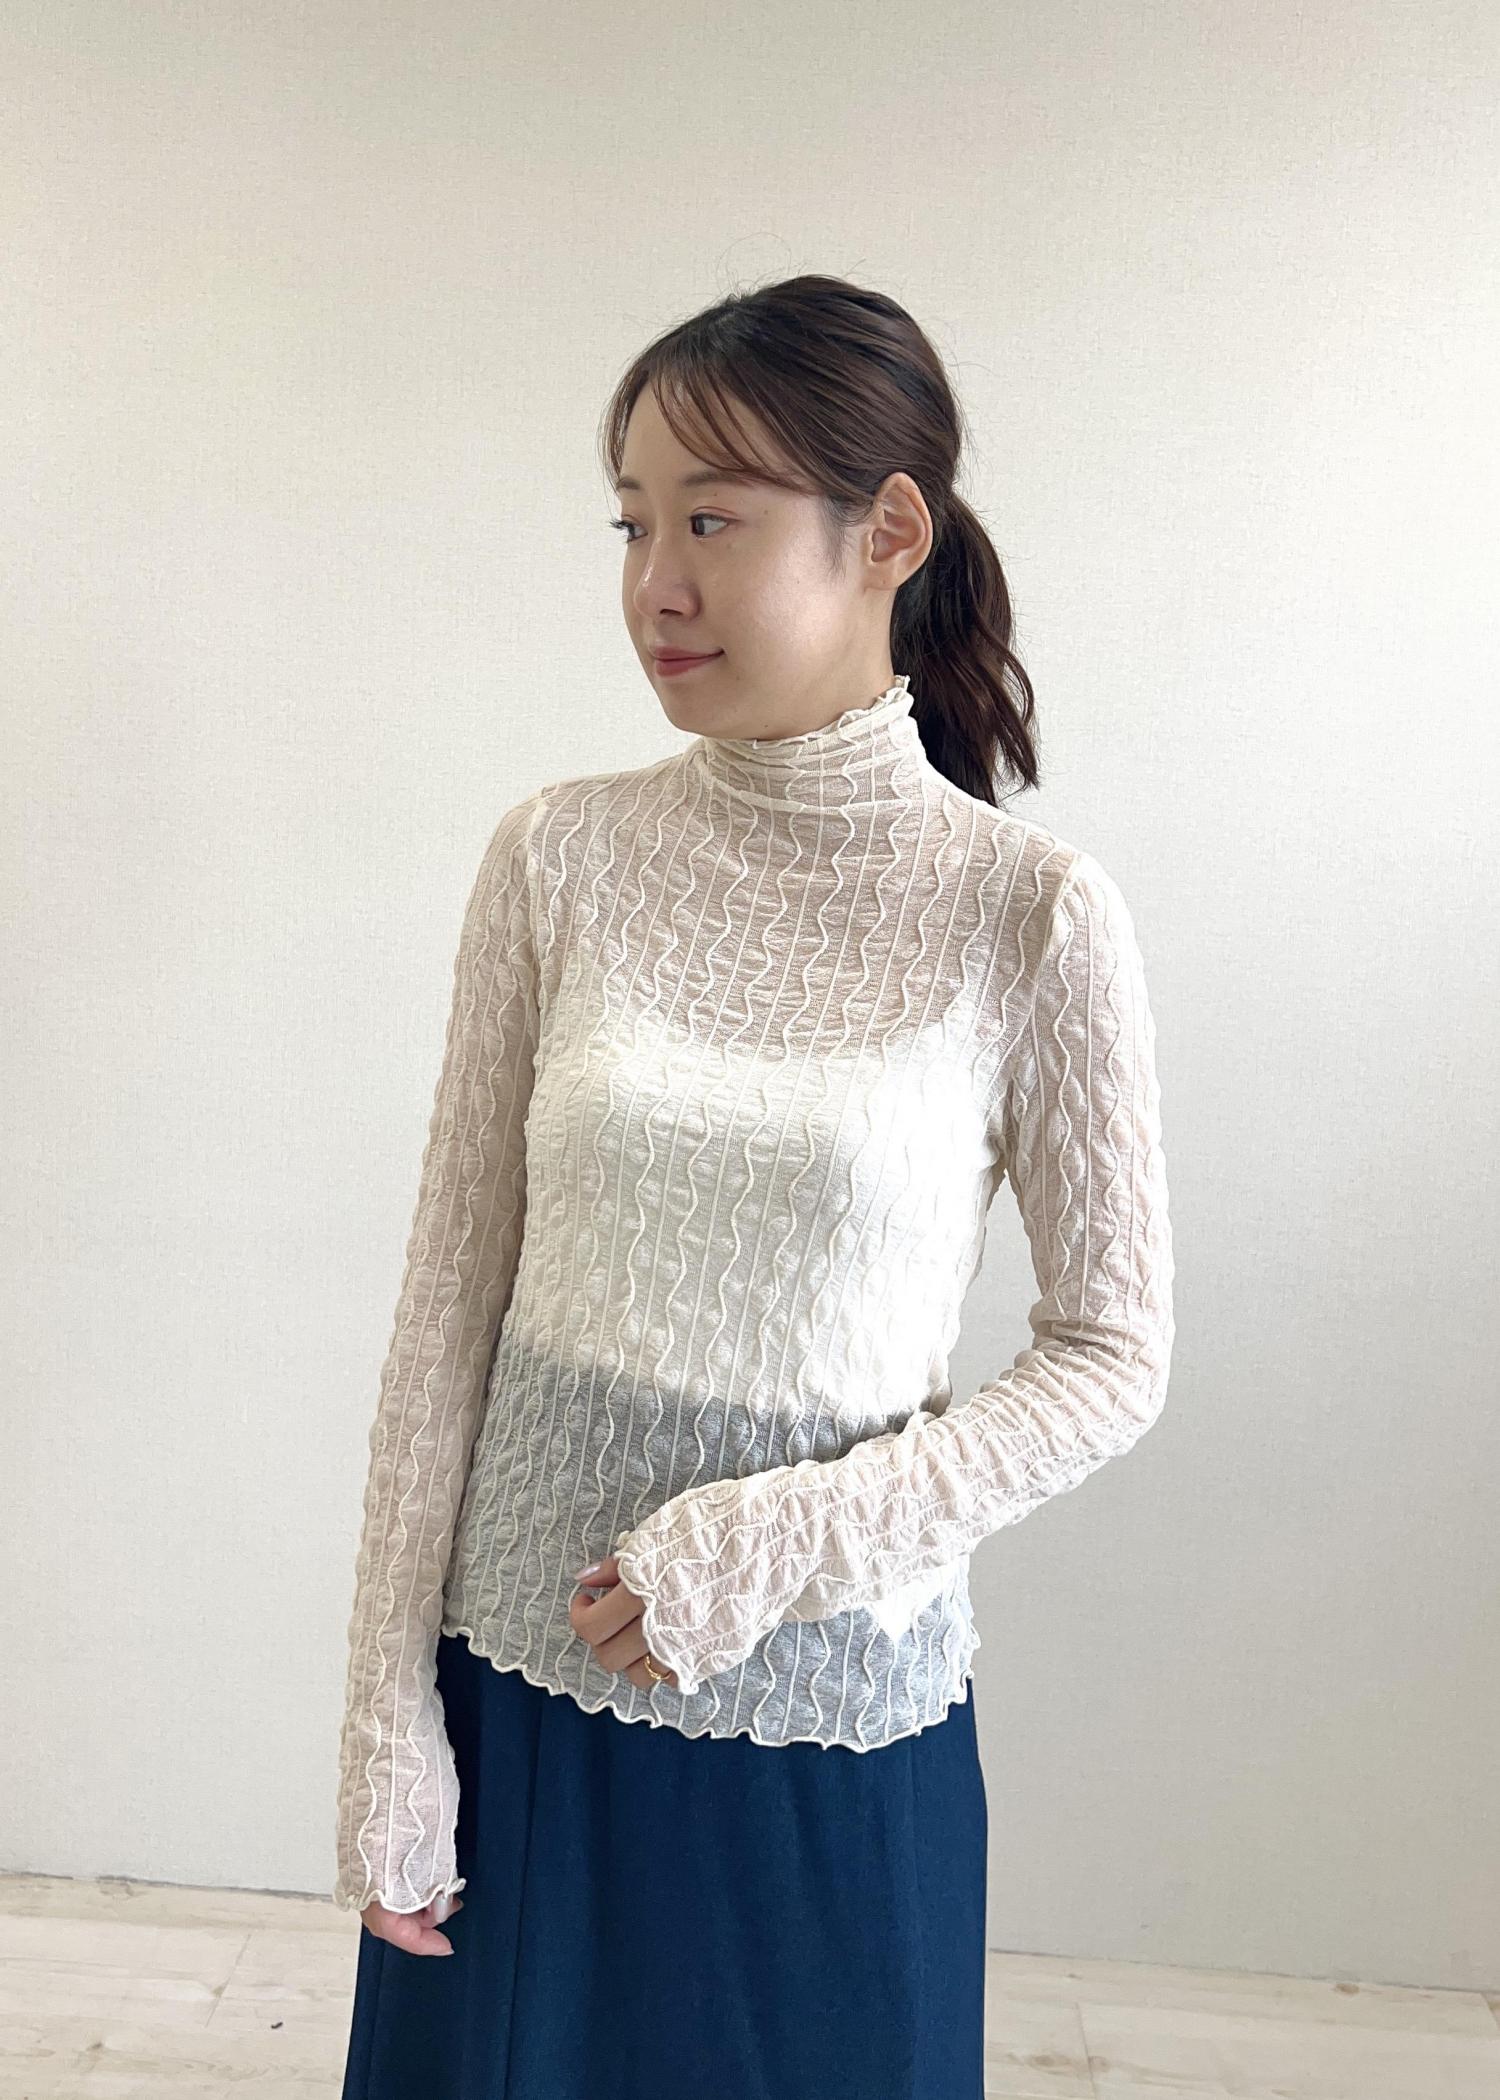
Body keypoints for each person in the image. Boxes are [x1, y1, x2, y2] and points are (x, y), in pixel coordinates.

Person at [333, 272, 1175, 2100]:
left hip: (825, 1738)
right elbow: (445, 1311)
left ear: (891, 533)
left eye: (711, 520)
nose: (656, 582)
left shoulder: (1031, 916)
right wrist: (388, 1719)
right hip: (520, 1717)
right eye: (631, 525)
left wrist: (776, 1545)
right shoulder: (559, 857)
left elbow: (1112, 1356)